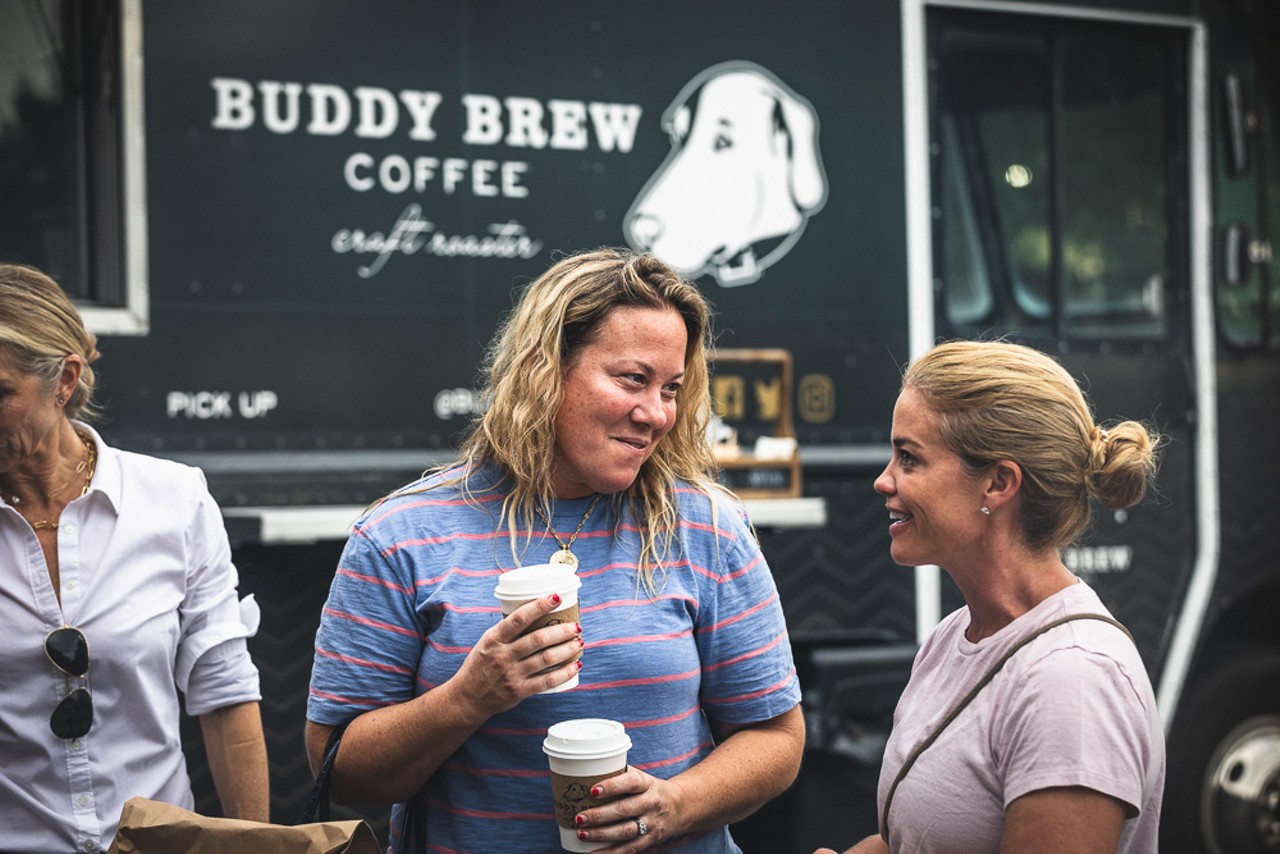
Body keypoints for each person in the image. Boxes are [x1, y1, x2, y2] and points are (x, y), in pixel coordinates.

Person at [305, 248, 804, 852]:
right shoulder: (401, 535)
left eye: (671, 388)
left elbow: (775, 737)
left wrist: (674, 805)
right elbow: (341, 771)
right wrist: (470, 696)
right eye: (632, 379)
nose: (656, 414)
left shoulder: (706, 526)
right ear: (546, 369)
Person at [818, 340, 1165, 854]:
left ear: (998, 484)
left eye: (909, 458)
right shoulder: (951, 638)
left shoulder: (1073, 680)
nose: (883, 480)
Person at [0, 263, 269, 853]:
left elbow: (224, 695)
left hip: (159, 843)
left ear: (65, 380)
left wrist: (256, 845)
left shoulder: (172, 500)